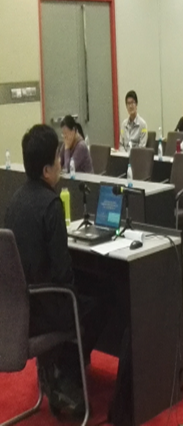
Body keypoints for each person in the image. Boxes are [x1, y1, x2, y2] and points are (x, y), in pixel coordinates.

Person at [3, 125, 109, 418]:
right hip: (43, 310)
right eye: (57, 158)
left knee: (82, 295)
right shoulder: (51, 205)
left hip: (17, 311)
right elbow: (63, 273)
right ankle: (64, 373)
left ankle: (55, 368)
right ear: (47, 170)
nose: (62, 163)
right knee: (99, 303)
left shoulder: (14, 201)